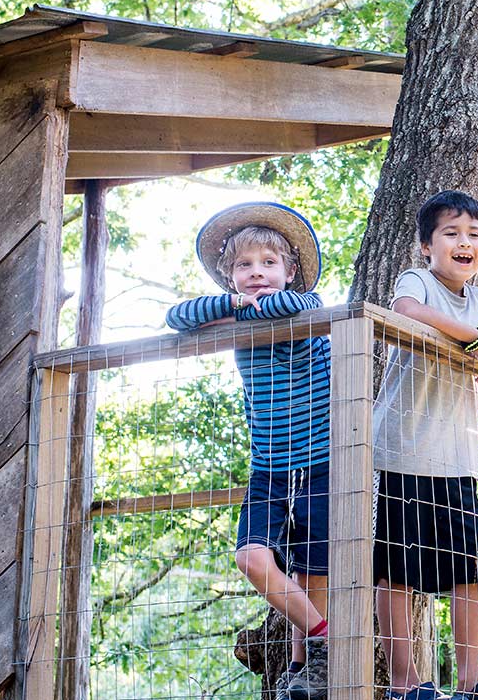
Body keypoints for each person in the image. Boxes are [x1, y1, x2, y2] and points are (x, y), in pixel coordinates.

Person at [373, 190, 478, 700]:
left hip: (458, 458)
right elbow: (405, 309)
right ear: (427, 246)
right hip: (402, 448)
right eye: (451, 233)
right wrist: (474, 341)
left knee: (472, 569)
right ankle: (404, 681)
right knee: (397, 570)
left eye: (474, 235)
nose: (464, 242)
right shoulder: (417, 280)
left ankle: (471, 682)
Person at [166, 201, 333, 700]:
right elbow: (178, 317)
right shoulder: (238, 314)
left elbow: (290, 306)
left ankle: (306, 672)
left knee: (312, 574)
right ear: (229, 276)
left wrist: (251, 307)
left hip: (322, 462)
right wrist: (233, 307)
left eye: (268, 263)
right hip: (269, 470)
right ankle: (329, 640)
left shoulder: (308, 304)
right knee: (252, 558)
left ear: (290, 271)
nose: (257, 272)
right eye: (244, 265)